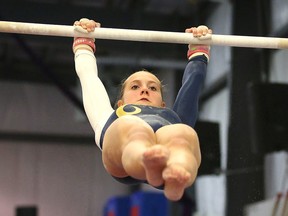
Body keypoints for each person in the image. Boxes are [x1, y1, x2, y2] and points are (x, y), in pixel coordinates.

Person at [72, 18, 212, 201]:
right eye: (135, 87)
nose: (145, 89)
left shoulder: (172, 118)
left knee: (183, 133)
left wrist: (199, 49)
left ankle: (177, 173)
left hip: (165, 157)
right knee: (134, 129)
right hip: (124, 154)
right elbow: (88, 78)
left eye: (153, 88)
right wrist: (83, 43)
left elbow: (193, 84)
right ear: (120, 103)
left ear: (163, 104)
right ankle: (148, 160)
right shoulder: (111, 117)